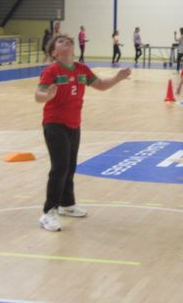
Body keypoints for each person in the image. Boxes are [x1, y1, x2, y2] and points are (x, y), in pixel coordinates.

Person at [35, 34, 131, 232]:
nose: (66, 41)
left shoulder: (82, 69)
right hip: (54, 124)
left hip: (74, 124)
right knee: (60, 166)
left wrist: (118, 78)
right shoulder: (52, 71)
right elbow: (38, 95)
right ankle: (48, 212)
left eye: (68, 40)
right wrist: (47, 95)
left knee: (70, 166)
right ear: (54, 52)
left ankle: (67, 204)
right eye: (60, 41)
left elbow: (101, 85)